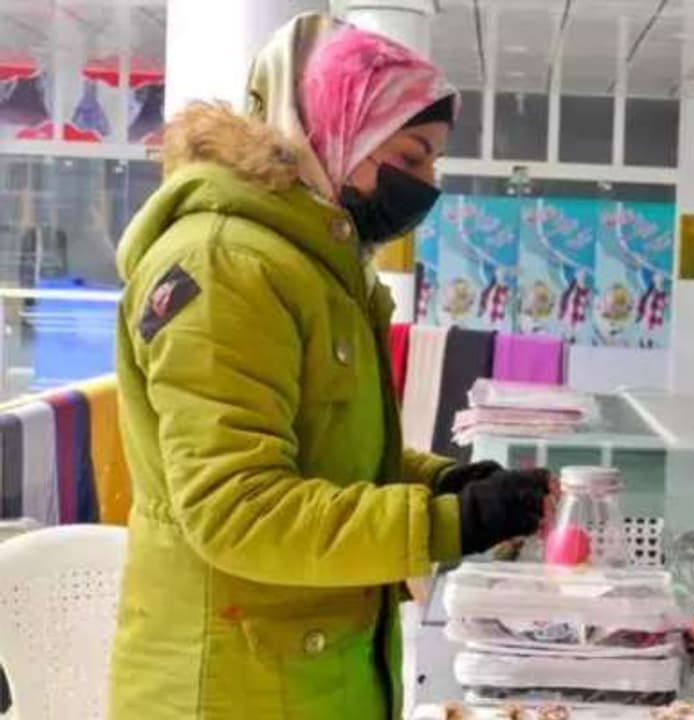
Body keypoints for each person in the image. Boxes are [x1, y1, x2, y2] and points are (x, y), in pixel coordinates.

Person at [109, 14, 551, 720]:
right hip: (231, 686)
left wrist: (444, 482)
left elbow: (323, 450)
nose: (427, 185)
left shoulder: (316, 267)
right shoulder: (227, 268)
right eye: (410, 159)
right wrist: (443, 523)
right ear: (334, 126)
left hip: (306, 670)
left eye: (434, 162)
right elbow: (238, 509)